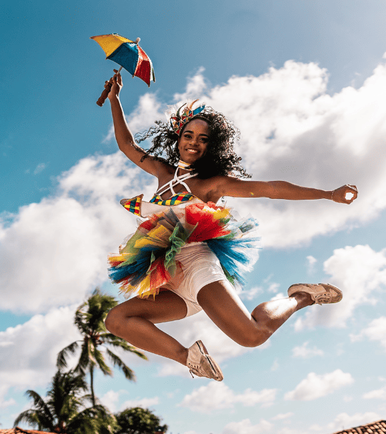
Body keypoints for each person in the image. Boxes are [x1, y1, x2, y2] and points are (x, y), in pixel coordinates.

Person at [102, 71, 357, 381]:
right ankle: (189, 357)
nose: (194, 143)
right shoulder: (162, 171)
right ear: (178, 139)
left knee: (252, 336)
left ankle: (300, 296)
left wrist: (328, 194)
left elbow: (270, 188)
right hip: (168, 277)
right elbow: (128, 145)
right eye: (188, 135)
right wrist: (115, 99)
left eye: (202, 139)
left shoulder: (212, 184)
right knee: (117, 319)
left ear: (212, 146)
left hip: (196, 265)